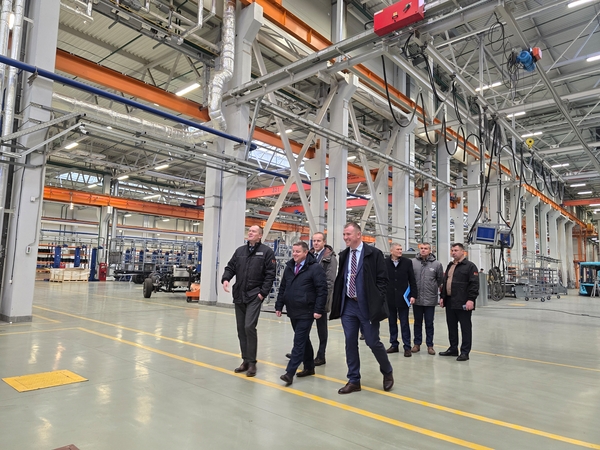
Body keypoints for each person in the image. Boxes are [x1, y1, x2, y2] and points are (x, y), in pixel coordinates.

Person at [330, 222, 394, 394]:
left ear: (358, 235)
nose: (345, 237)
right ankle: (354, 380)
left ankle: (387, 371)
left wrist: (377, 299)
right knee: (350, 343)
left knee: (373, 342)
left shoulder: (374, 254)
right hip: (348, 305)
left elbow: (383, 280)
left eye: (348, 234)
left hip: (367, 305)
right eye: (344, 234)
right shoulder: (344, 255)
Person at [221, 225, 276, 377]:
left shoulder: (266, 252)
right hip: (239, 295)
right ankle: (245, 360)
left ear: (260, 235)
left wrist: (262, 293)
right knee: (241, 329)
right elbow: (230, 267)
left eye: (253, 231)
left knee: (249, 326)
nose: (250, 233)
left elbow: (270, 274)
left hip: (254, 295)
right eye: (249, 231)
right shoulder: (240, 251)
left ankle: (252, 363)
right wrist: (226, 279)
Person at [276, 242, 327, 386]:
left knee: (298, 341)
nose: (294, 254)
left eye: (298, 251)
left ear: (305, 253)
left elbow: (322, 290)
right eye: (293, 251)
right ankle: (309, 367)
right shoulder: (290, 267)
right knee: (304, 339)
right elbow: (283, 287)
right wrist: (279, 305)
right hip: (293, 310)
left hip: (307, 310)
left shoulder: (315, 268)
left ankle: (289, 373)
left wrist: (318, 309)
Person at [439, 243, 479, 361]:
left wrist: (471, 299)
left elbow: (474, 284)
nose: (453, 252)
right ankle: (453, 348)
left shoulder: (470, 266)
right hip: (450, 301)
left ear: (463, 252)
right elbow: (445, 282)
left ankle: (465, 352)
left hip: (463, 301)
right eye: (452, 250)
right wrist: (443, 297)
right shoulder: (450, 265)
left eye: (456, 250)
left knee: (465, 328)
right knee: (451, 326)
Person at [309, 232, 337, 366]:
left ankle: (321, 355)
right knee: (303, 327)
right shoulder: (309, 255)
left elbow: (330, 281)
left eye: (318, 241)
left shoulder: (330, 258)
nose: (315, 243)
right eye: (314, 240)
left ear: (324, 242)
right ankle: (301, 351)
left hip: (321, 298)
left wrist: (323, 300)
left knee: (321, 329)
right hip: (308, 298)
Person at [385, 243, 418, 358]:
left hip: (403, 298)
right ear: (391, 251)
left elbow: (412, 280)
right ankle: (394, 344)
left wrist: (413, 295)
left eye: (401, 249)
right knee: (391, 322)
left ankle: (407, 347)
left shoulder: (407, 262)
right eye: (398, 249)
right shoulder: (385, 263)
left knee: (404, 323)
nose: (400, 251)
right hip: (389, 298)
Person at [411, 242, 444, 355]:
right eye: (422, 248)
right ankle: (417, 344)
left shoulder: (437, 264)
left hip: (430, 299)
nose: (423, 250)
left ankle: (430, 345)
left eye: (426, 248)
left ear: (430, 250)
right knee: (417, 322)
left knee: (429, 323)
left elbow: (440, 280)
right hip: (417, 299)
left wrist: (432, 288)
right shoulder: (413, 263)